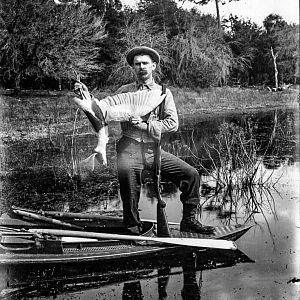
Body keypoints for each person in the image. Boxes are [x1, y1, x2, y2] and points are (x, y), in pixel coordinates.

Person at [75, 46, 214, 234]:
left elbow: (173, 124)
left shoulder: (164, 92)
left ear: (153, 66)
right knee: (130, 193)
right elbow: (102, 111)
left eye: (145, 63)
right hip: (128, 149)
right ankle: (133, 230)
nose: (141, 67)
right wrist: (86, 95)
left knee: (191, 175)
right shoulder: (124, 91)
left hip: (153, 150)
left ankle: (188, 222)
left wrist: (145, 126)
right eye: (137, 64)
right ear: (133, 67)